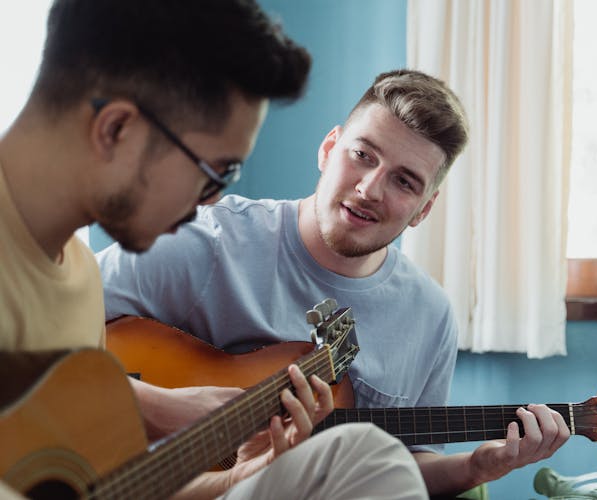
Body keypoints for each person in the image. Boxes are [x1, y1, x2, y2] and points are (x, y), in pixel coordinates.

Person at [0, 1, 428, 499]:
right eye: (214, 172)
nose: (216, 201)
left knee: (365, 457)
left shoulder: (76, 280)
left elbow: (108, 489)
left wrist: (237, 476)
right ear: (117, 129)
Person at [98, 68, 571, 496]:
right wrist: (164, 406)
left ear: (424, 209)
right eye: (363, 155)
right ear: (329, 149)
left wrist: (478, 465)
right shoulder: (207, 241)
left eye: (404, 182)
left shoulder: (430, 315)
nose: (369, 188)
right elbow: (31, 340)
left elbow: (407, 464)